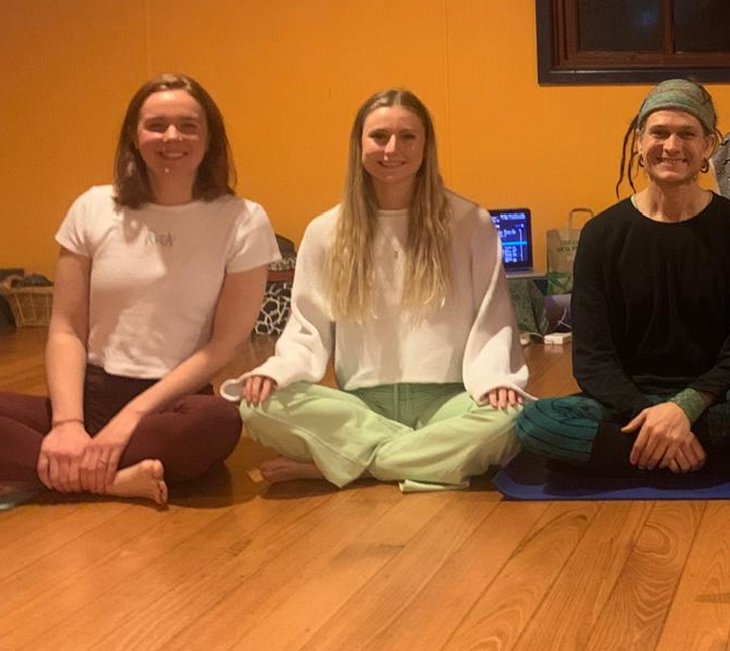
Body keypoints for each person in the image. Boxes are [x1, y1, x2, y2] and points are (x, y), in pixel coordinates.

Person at [225, 89, 527, 492]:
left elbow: (493, 318)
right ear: (359, 145)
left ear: (426, 146)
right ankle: (427, 458)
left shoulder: (470, 222)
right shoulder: (324, 231)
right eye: (379, 136)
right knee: (256, 406)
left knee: (511, 419)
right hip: (362, 406)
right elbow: (306, 329)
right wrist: (275, 372)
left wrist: (497, 380)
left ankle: (351, 463)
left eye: (407, 137)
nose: (392, 149)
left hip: (450, 400)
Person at [0, 74, 276, 505]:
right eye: (156, 125)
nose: (172, 137)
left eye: (188, 125)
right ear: (134, 134)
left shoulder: (242, 219)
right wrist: (67, 423)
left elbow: (223, 345)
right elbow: (67, 328)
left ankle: (61, 468)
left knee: (218, 421)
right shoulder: (93, 207)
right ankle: (111, 479)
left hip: (171, 409)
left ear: (210, 137)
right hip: (88, 396)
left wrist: (131, 417)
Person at [515, 80, 730, 486]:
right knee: (534, 422)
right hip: (623, 404)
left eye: (687, 134)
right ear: (638, 142)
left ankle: (623, 458)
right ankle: (720, 458)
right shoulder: (601, 234)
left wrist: (684, 408)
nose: (671, 146)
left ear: (708, 146)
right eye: (659, 132)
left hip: (712, 400)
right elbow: (592, 361)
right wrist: (649, 414)